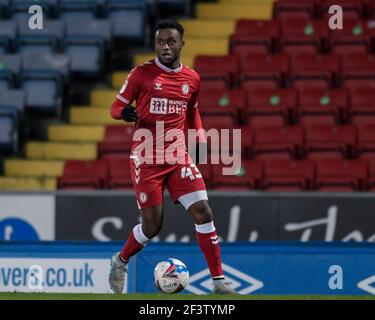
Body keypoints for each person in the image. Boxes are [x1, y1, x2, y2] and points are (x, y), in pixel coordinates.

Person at [108, 20, 237, 295]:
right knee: (152, 226)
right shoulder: (140, 74)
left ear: (181, 44)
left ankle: (218, 281)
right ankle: (120, 261)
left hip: (178, 155)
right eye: (160, 42)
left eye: (171, 42)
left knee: (203, 211)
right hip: (146, 156)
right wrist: (125, 113)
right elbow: (115, 108)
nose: (165, 47)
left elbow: (193, 113)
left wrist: (200, 139)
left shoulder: (192, 79)